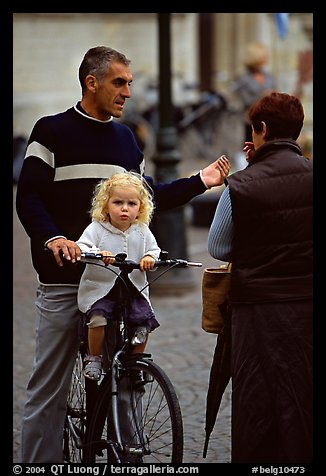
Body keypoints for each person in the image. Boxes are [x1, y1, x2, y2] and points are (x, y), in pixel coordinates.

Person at [15, 45, 230, 463]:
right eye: (119, 82)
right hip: (64, 280)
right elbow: (28, 199)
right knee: (49, 390)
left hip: (117, 285)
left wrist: (200, 181)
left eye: (129, 83)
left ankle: (126, 457)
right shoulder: (50, 131)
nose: (127, 93)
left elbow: (144, 199)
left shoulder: (125, 139)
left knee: (124, 381)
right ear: (91, 82)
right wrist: (53, 238)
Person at [207, 92, 313, 463]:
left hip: (256, 314)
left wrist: (250, 176)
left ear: (262, 129)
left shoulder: (240, 186)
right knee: (304, 398)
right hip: (307, 308)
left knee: (259, 407)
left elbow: (218, 247)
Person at [76, 172, 161, 381]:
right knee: (97, 319)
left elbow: (154, 249)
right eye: (118, 202)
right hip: (101, 289)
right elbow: (81, 247)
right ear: (105, 205)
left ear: (140, 208)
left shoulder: (141, 230)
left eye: (132, 203)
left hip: (132, 288)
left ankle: (136, 362)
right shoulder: (97, 228)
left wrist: (150, 257)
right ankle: (94, 358)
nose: (125, 208)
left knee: (144, 322)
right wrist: (97, 253)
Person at [231, 41, 276, 142]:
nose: (267, 58)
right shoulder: (243, 78)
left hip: (269, 121)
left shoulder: (269, 77)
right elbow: (246, 101)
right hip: (251, 121)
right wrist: (264, 96)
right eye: (264, 55)